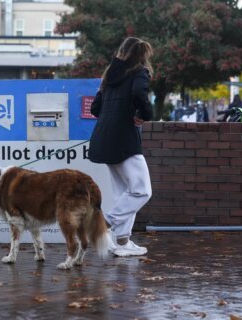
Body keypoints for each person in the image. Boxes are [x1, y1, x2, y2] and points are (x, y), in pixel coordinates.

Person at [88, 37, 153, 257]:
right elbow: (138, 94)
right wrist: (144, 115)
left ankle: (122, 242)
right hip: (124, 140)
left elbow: (96, 108)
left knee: (124, 193)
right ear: (141, 55)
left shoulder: (109, 76)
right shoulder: (139, 72)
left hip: (104, 139)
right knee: (142, 190)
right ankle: (104, 224)